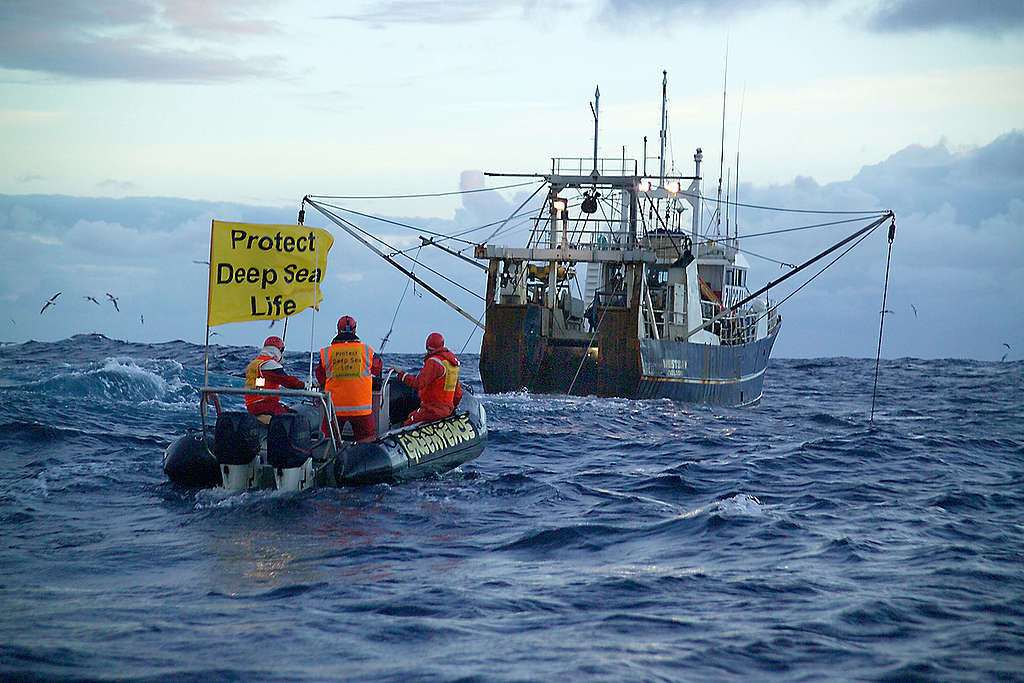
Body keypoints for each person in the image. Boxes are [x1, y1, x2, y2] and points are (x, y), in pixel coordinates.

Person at [316, 315, 382, 442]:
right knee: (366, 441)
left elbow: (320, 376)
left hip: (334, 409)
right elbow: (377, 368)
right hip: (361, 410)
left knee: (329, 441)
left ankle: (326, 460)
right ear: (354, 330)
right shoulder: (366, 351)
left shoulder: (327, 352)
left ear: (338, 330)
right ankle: (364, 461)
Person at [391, 332, 463, 426]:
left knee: (407, 423)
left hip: (432, 410)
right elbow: (458, 393)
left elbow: (419, 383)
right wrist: (452, 409)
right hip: (447, 410)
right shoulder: (452, 364)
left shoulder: (434, 362)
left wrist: (401, 374)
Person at [244, 335, 305, 417]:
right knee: (293, 418)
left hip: (251, 405)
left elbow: (260, 383)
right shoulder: (270, 364)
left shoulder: (255, 363)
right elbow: (287, 381)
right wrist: (304, 385)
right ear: (279, 350)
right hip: (265, 405)